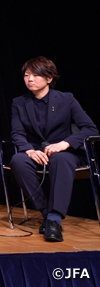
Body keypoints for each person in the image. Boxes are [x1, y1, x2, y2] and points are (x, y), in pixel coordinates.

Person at [10, 56, 98, 242]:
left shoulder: (67, 99)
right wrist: (29, 150)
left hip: (65, 152)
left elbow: (90, 129)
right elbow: (17, 133)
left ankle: (54, 218)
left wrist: (65, 143)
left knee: (61, 159)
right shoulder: (19, 103)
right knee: (17, 160)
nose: (30, 79)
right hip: (36, 152)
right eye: (27, 75)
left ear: (49, 78)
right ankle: (47, 213)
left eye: (35, 75)